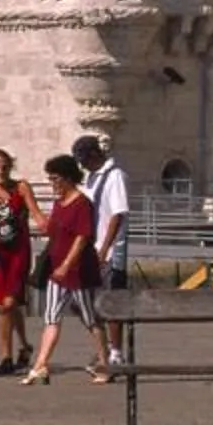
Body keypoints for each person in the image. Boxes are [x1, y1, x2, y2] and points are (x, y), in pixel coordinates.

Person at [21, 156, 101, 383]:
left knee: (90, 318)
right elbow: (49, 229)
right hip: (57, 271)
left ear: (67, 177)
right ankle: (40, 365)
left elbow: (82, 237)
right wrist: (30, 201)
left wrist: (67, 265)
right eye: (50, 178)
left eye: (55, 178)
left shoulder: (82, 203)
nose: (52, 183)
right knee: (51, 317)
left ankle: (105, 362)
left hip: (78, 271)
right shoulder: (59, 203)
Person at [75, 131, 131, 381]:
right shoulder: (91, 180)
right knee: (87, 304)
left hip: (109, 253)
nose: (82, 165)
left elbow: (117, 215)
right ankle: (105, 349)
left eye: (84, 159)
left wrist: (105, 249)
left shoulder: (114, 176)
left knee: (110, 304)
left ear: (95, 154)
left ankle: (116, 352)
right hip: (91, 251)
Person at [0, 148, 39, 372]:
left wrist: (47, 225)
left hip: (18, 251)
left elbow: (34, 211)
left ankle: (9, 355)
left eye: (4, 167)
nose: (0, 172)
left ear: (10, 166)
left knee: (9, 303)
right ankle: (18, 349)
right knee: (5, 306)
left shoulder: (21, 187)